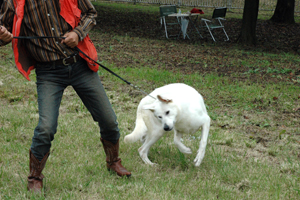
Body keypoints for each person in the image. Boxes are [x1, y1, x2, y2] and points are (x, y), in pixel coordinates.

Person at [0, 0, 131, 193]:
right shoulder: (13, 1)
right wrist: (3, 35)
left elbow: (90, 14)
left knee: (108, 119)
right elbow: (4, 32)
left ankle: (113, 162)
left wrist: (78, 33)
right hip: (48, 72)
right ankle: (35, 177)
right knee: (46, 127)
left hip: (80, 65)